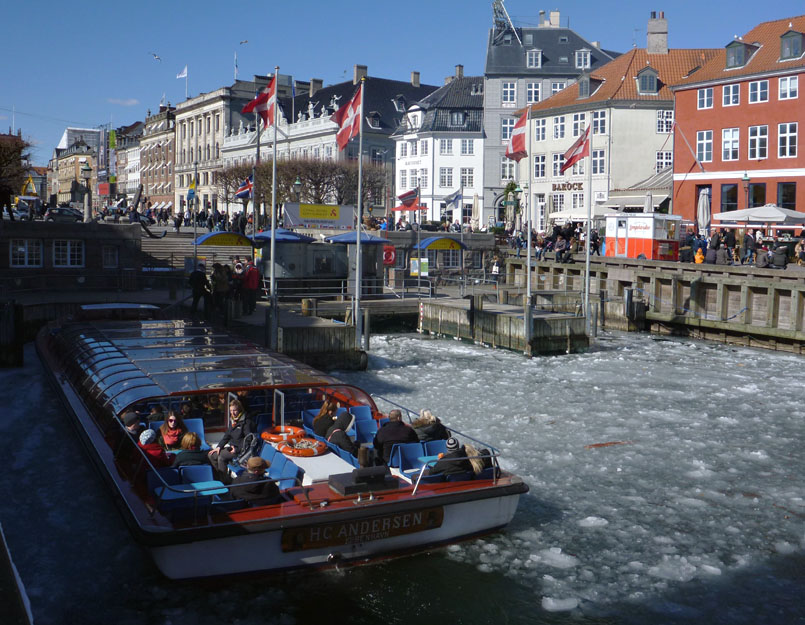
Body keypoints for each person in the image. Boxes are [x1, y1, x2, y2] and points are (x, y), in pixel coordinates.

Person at [208, 399, 253, 476]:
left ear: (239, 410)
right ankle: (217, 477)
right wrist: (219, 446)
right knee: (211, 455)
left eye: (235, 410)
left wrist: (237, 449)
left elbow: (248, 439)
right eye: (231, 410)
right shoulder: (232, 421)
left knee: (221, 457)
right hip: (231, 447)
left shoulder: (246, 423)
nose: (233, 413)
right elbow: (227, 436)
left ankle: (224, 481)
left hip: (239, 451)